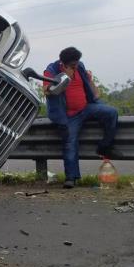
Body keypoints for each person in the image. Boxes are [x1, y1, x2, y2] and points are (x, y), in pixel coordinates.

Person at [44, 47, 120, 189]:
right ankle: (71, 178)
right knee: (70, 143)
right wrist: (61, 80)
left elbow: (89, 82)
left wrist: (95, 94)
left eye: (77, 64)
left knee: (111, 112)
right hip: (69, 115)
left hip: (86, 107)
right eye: (73, 65)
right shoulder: (52, 70)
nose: (76, 67)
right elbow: (47, 91)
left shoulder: (80, 67)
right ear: (64, 64)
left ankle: (104, 146)